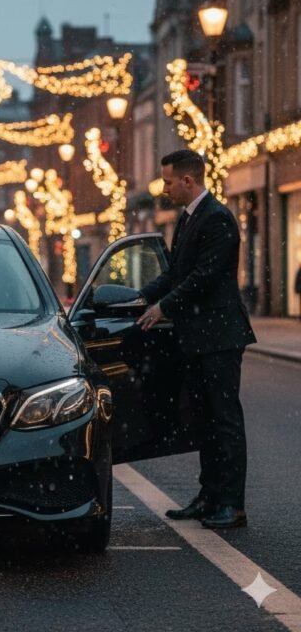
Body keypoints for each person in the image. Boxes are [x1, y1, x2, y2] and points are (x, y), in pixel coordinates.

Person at [136, 149, 256, 529]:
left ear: (188, 181)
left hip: (219, 335)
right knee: (204, 421)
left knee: (225, 421)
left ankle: (232, 505)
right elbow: (175, 274)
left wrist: (163, 307)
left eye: (168, 181)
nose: (164, 188)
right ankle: (208, 497)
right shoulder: (188, 217)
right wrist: (139, 298)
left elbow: (204, 276)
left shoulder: (217, 218)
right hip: (198, 337)